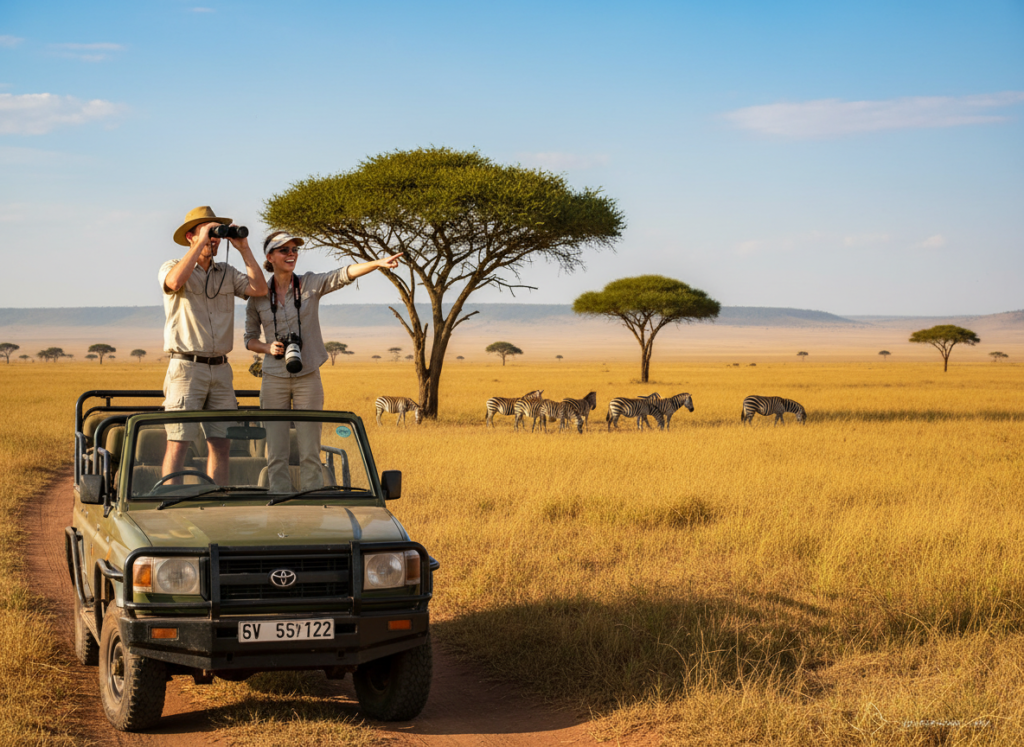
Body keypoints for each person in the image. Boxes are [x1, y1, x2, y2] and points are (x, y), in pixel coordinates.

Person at [244, 231, 401, 492]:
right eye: (284, 250)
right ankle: (279, 503)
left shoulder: (310, 283)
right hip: (273, 376)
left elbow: (343, 274)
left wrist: (376, 263)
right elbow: (249, 338)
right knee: (276, 451)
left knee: (310, 449)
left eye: (295, 249)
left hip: (308, 375)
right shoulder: (258, 293)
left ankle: (311, 503)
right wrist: (267, 348)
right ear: (270, 257)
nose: (291, 254)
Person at [159, 206, 269, 485]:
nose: (214, 239)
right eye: (208, 232)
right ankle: (171, 503)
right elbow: (173, 283)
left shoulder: (227, 273)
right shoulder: (172, 266)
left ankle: (217, 500)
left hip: (220, 369)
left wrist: (243, 248)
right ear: (189, 236)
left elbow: (259, 290)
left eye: (217, 233)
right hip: (186, 367)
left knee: (221, 444)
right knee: (178, 442)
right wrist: (199, 245)